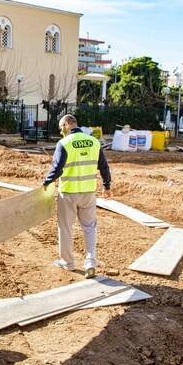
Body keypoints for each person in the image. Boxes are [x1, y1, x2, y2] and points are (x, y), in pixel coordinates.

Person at [41, 114, 112, 279]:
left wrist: (46, 183)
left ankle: (68, 263)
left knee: (65, 227)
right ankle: (90, 263)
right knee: (90, 227)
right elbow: (104, 166)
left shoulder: (64, 143)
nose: (61, 132)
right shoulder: (94, 142)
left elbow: (57, 168)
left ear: (66, 125)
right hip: (88, 192)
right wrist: (106, 186)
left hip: (69, 193)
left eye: (61, 128)